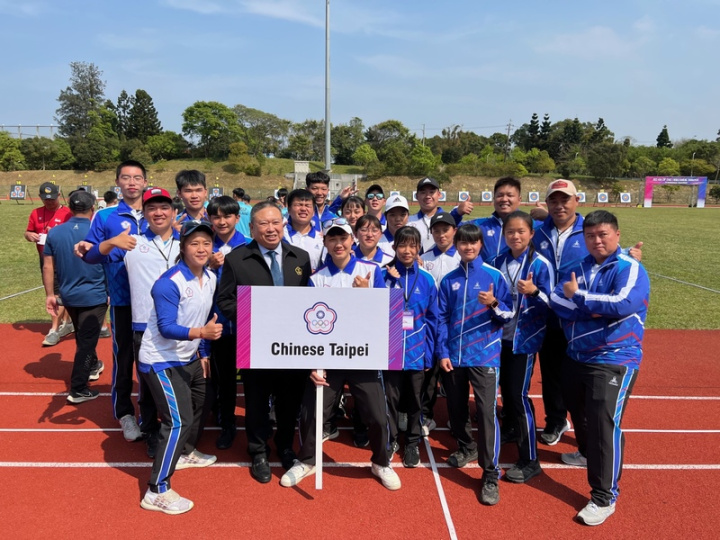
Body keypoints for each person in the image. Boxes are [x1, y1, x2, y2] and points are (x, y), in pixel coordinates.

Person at [280, 217, 401, 491]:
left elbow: (387, 313)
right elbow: (309, 324)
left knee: (377, 415)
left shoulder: (373, 270)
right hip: (328, 358)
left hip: (363, 355)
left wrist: (367, 294)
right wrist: (313, 364)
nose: (338, 244)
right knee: (312, 412)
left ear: (352, 240)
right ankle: (307, 460)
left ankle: (381, 462)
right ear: (324, 242)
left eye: (343, 238)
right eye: (332, 238)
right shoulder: (316, 278)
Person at [549, 210, 650, 526]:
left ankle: (604, 497)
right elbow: (557, 301)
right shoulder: (578, 267)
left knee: (603, 425)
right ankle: (584, 452)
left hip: (613, 358)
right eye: (590, 235)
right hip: (576, 355)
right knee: (579, 413)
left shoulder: (628, 268)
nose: (596, 240)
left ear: (617, 235)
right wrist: (590, 307)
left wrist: (579, 297)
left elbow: (622, 304)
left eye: (603, 234)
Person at [216, 201, 312, 482]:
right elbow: (225, 300)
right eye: (263, 224)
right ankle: (258, 451)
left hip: (293, 345)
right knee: (256, 400)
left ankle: (285, 446)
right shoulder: (237, 259)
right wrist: (254, 314)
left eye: (275, 222)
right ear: (252, 228)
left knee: (289, 400)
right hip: (255, 342)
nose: (271, 229)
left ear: (283, 224)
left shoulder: (301, 257)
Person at [138, 220, 223, 515]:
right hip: (161, 359)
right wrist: (202, 335)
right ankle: (156, 489)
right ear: (183, 247)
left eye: (206, 243)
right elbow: (166, 327)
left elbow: (205, 316)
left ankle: (185, 452)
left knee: (200, 402)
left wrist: (202, 351)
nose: (201, 248)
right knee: (177, 421)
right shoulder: (168, 283)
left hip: (189, 357)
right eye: (194, 243)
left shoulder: (210, 277)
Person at [96, 187, 180, 457]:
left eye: (164, 207)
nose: (159, 213)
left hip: (181, 324)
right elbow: (93, 256)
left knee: (180, 379)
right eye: (152, 208)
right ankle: (151, 431)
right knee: (148, 383)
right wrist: (108, 242)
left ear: (174, 212)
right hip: (144, 324)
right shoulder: (131, 243)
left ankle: (181, 433)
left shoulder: (186, 243)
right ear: (143, 214)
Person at [437, 223, 514, 506]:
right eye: (463, 242)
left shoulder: (494, 276)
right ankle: (466, 446)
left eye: (473, 242)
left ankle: (490, 473)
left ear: (481, 244)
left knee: (485, 412)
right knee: (456, 409)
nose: (468, 247)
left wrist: (494, 303)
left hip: (485, 356)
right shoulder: (449, 280)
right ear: (456, 245)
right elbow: (441, 318)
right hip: (454, 357)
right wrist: (443, 352)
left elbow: (508, 315)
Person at [79, 160, 149, 444]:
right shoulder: (106, 216)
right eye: (126, 178)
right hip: (122, 300)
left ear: (145, 182)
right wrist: (111, 243)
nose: (132, 183)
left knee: (152, 358)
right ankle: (125, 413)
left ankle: (149, 411)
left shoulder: (158, 212)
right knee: (124, 357)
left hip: (156, 301)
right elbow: (90, 254)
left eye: (137, 178)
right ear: (118, 182)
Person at [489, 210, 554, 483]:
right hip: (498, 338)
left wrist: (535, 292)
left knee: (518, 395)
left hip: (523, 340)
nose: (515, 236)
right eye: (510, 232)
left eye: (521, 231)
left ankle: (530, 459)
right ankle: (512, 429)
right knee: (505, 391)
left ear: (531, 234)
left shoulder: (540, 264)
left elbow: (553, 304)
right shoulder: (497, 261)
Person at [43, 190, 107, 403]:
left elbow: (48, 266)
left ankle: (93, 365)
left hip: (69, 294)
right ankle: (78, 388)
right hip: (95, 294)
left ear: (69, 208)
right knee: (87, 340)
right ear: (92, 208)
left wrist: (50, 294)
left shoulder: (55, 232)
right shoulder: (100, 232)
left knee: (82, 333)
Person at [382, 226, 438, 468]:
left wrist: (429, 354)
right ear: (394, 247)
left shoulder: (427, 279)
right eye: (402, 245)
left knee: (415, 400)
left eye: (412, 246)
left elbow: (433, 319)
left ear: (418, 249)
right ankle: (391, 439)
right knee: (390, 400)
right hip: (390, 351)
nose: (407, 250)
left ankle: (412, 442)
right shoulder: (383, 275)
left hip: (417, 351)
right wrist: (388, 281)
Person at [203, 196, 247, 450]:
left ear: (237, 218)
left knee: (252, 380)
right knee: (224, 380)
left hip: (246, 325)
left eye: (227, 216)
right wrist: (209, 267)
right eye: (216, 216)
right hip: (217, 326)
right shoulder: (204, 246)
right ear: (210, 219)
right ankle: (227, 423)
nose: (222, 221)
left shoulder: (249, 245)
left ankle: (258, 422)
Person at [418, 212, 462, 436]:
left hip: (455, 327)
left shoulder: (462, 256)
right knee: (429, 375)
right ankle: (426, 415)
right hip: (430, 326)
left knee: (454, 377)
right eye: (436, 230)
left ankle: (458, 419)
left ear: (455, 231)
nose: (441, 234)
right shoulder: (424, 258)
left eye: (446, 230)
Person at [25, 181, 73, 346]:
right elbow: (28, 231)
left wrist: (58, 234)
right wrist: (29, 235)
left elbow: (74, 234)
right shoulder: (36, 212)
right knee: (53, 291)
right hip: (45, 258)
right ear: (40, 197)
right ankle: (66, 322)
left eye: (52, 198)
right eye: (46, 199)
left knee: (58, 292)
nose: (49, 202)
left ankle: (55, 329)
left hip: (63, 258)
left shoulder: (68, 213)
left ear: (59, 195)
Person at [408, 177, 471, 253]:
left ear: (439, 195)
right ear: (416, 196)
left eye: (431, 192)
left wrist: (457, 213)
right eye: (423, 192)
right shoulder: (408, 221)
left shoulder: (451, 219)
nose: (428, 196)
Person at [283, 189, 324, 271]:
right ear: (289, 209)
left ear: (313, 212)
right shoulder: (281, 235)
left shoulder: (321, 239)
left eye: (308, 205)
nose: (303, 209)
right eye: (299, 205)